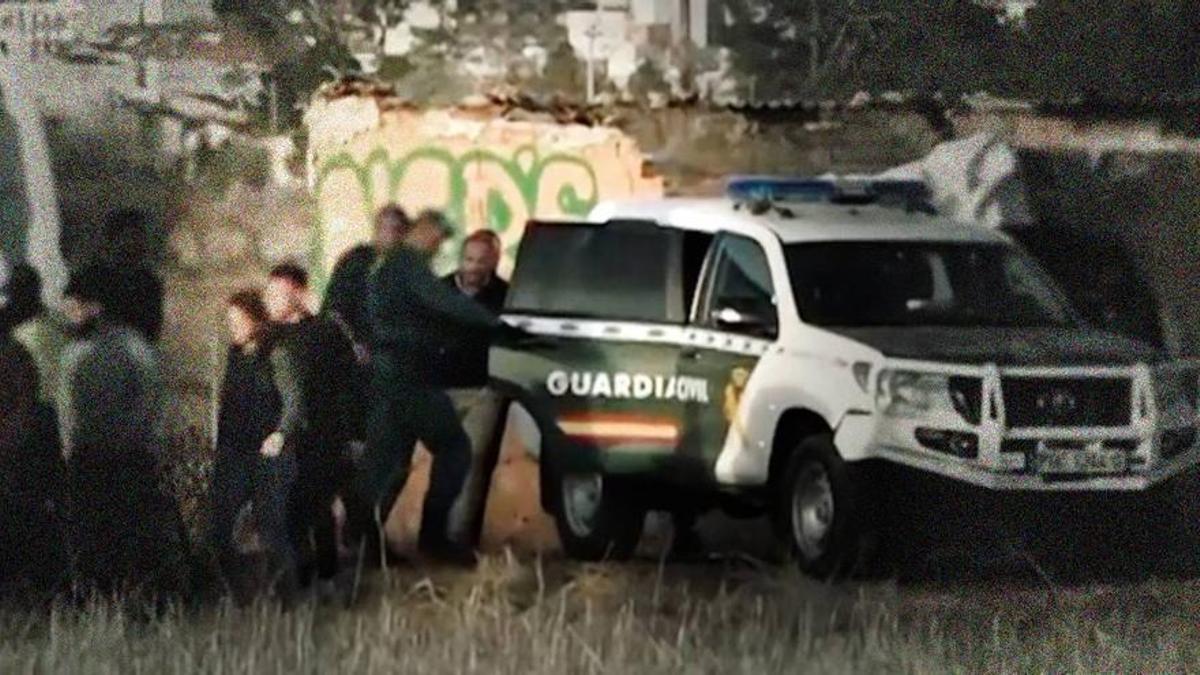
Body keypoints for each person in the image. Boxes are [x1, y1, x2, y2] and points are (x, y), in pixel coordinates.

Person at [356, 209, 526, 566]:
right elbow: (444, 303)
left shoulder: (388, 267)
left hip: (393, 378)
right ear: (424, 231)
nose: (438, 248)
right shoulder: (407, 264)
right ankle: (430, 539)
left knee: (391, 464)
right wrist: (497, 325)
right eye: (437, 240)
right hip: (407, 379)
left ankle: (367, 544)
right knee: (453, 449)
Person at [58, 264, 188, 606]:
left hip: (126, 458)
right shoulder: (75, 353)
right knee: (92, 537)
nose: (68, 312)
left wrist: (129, 442)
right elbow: (72, 411)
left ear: (95, 306)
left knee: (129, 535)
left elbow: (148, 405)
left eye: (74, 304)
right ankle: (97, 600)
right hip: (89, 458)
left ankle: (142, 599)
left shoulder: (133, 349)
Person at [262, 263, 361, 586]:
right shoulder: (272, 338)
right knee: (309, 511)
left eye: (279, 292)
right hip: (295, 439)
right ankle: (319, 578)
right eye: (270, 292)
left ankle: (318, 578)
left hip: (324, 434)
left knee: (307, 510)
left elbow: (348, 377)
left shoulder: (324, 331)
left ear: (297, 294)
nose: (271, 299)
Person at [207, 289, 297, 598]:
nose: (233, 327)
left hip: (265, 454)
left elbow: (292, 401)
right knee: (218, 525)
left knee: (271, 527)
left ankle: (286, 596)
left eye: (239, 321)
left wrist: (280, 433)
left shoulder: (276, 355)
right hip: (234, 452)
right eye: (229, 321)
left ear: (255, 321)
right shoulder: (234, 357)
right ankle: (235, 593)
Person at [433, 227, 512, 547]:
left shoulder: (506, 297)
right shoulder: (438, 292)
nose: (474, 268)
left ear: (494, 262)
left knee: (474, 460)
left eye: (483, 261)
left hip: (484, 390)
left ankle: (460, 539)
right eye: (469, 259)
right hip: (442, 389)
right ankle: (436, 537)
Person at [0, 256, 68, 601]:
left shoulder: (19, 344)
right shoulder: (53, 329)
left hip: (28, 431)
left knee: (22, 513)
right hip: (47, 426)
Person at [321, 205, 410, 362]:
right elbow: (334, 311)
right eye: (390, 229)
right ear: (378, 230)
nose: (395, 236)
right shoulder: (356, 262)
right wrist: (354, 344)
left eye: (400, 231)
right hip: (355, 356)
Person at [102, 209, 165, 343]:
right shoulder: (95, 278)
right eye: (127, 237)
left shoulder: (150, 283)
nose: (134, 243)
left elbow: (153, 328)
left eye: (138, 237)